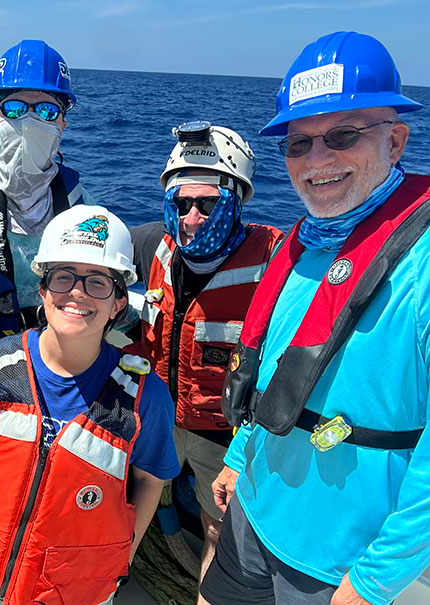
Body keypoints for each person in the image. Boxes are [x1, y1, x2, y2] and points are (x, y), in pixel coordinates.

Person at [202, 32, 429, 605]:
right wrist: (235, 458)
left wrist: (374, 582)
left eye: (343, 136)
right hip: (255, 507)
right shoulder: (302, 243)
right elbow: (273, 363)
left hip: (342, 559)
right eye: (298, 144)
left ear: (396, 140)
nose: (317, 160)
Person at [0, 205, 180, 605]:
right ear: (43, 289)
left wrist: (122, 552)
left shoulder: (144, 397)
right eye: (64, 277)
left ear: (119, 303)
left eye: (98, 283)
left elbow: (150, 481)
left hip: (77, 591)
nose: (78, 293)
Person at [129, 122, 282, 586]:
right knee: (135, 496)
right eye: (182, 203)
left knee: (218, 528)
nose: (192, 218)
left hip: (225, 433)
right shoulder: (154, 246)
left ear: (236, 199)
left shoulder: (276, 258)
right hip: (157, 415)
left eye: (207, 204)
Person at [0, 39, 95, 351]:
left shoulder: (81, 207)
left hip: (53, 372)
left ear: (62, 124)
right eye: (13, 108)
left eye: (46, 111)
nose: (29, 121)